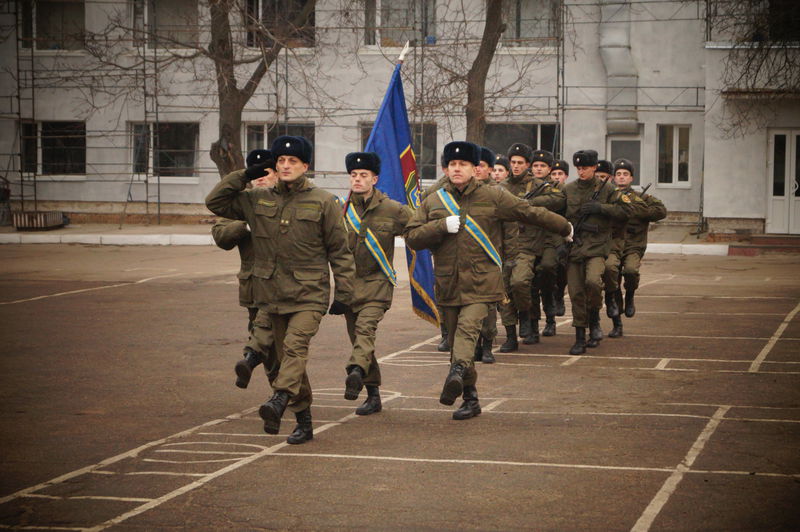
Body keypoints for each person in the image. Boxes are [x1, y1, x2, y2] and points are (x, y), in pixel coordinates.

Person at [404, 141, 572, 420]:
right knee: (460, 342)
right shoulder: (433, 201)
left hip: (483, 282)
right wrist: (440, 226)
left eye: (464, 165)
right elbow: (412, 237)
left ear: (474, 168)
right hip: (448, 283)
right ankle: (470, 397)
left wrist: (564, 226)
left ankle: (456, 371)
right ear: (446, 168)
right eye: (453, 165)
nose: (457, 169)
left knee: (468, 332)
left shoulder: (494, 196)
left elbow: (528, 212)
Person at [206, 135, 355, 445]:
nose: (286, 166)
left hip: (308, 294)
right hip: (270, 294)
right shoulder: (257, 198)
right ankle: (304, 420)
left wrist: (344, 293)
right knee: (283, 359)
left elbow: (339, 251)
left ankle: (280, 398)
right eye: (281, 161)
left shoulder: (324, 201)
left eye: (293, 161)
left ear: (305, 166)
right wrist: (246, 174)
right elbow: (215, 202)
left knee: (294, 350)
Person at [340, 152, 412, 415]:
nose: (358, 180)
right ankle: (373, 395)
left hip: (378, 284)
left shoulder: (392, 209)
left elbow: (418, 228)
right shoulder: (341, 209)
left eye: (363, 176)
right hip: (348, 288)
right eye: (354, 175)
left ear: (375, 178)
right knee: (359, 341)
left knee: (365, 331)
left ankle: (355, 371)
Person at [211, 149, 277, 389]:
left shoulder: (287, 200)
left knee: (277, 341)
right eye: (255, 173)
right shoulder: (243, 204)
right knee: (266, 343)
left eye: (266, 172)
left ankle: (256, 364)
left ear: (277, 173)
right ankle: (279, 389)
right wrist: (246, 225)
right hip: (254, 288)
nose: (260, 177)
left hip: (285, 286)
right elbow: (221, 235)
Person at [561, 149, 636, 355]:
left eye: (585, 168)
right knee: (576, 292)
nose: (581, 171)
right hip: (575, 248)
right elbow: (556, 211)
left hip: (597, 248)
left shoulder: (608, 189)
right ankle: (579, 337)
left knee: (593, 283)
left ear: (594, 167)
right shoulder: (569, 190)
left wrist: (601, 208)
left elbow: (627, 212)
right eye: (578, 168)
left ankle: (594, 318)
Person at [499, 145, 565, 348]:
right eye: (513, 162)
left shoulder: (538, 185)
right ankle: (511, 335)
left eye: (520, 162)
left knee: (520, 283)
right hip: (502, 246)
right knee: (504, 292)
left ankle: (527, 315)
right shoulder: (500, 187)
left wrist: (527, 203)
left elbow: (558, 198)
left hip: (527, 246)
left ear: (527, 165)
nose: (516, 166)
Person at [615, 158, 668, 322]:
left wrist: (638, 211)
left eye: (625, 174)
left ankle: (630, 295)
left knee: (630, 271)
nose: (622, 177)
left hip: (633, 245)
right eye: (618, 174)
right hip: (613, 244)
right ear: (613, 178)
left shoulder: (642, 197)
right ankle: (617, 318)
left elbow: (661, 211)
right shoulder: (608, 196)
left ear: (631, 178)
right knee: (611, 278)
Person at [549, 159, 570, 319]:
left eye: (560, 174)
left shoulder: (569, 191)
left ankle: (560, 294)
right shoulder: (545, 189)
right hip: (548, 236)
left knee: (563, 268)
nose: (557, 177)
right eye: (554, 174)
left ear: (566, 176)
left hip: (565, 236)